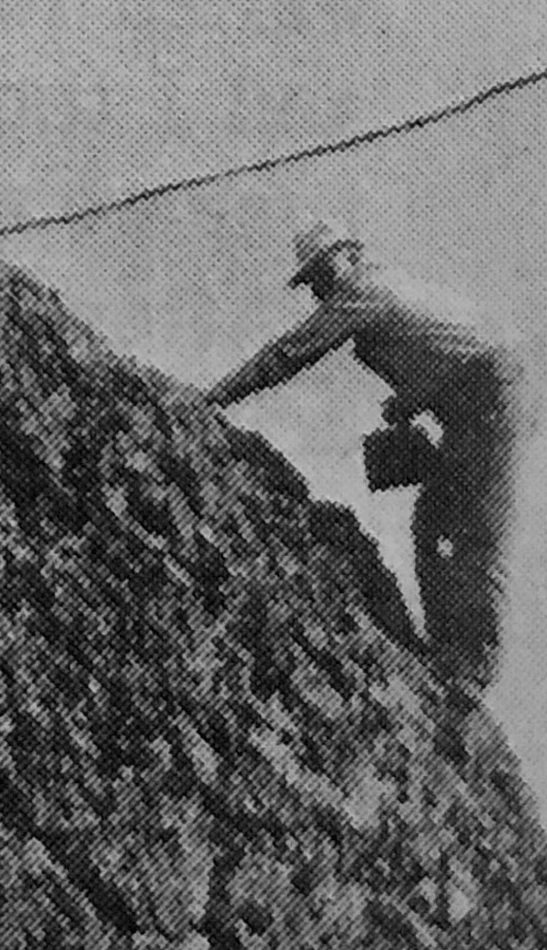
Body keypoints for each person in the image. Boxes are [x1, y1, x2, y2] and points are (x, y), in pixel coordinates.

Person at [208, 224, 530, 691]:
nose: (319, 287)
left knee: (477, 533)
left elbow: (288, 354)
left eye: (322, 272)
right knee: (433, 523)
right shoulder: (385, 287)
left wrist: (218, 395)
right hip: (476, 403)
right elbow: (447, 351)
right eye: (312, 281)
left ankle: (472, 668)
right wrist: (413, 401)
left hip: (492, 401)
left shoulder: (364, 290)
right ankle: (444, 651)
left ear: (349, 256)